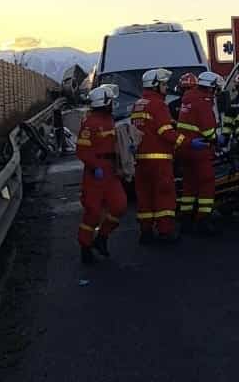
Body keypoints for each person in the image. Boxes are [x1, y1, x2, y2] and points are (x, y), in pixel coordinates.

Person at [130, 68, 185, 243]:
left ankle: (146, 232)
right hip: (159, 160)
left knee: (145, 195)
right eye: (163, 84)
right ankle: (165, 231)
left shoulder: (138, 104)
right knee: (164, 194)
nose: (166, 87)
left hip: (140, 160)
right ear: (155, 85)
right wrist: (185, 142)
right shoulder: (158, 104)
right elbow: (165, 132)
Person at [74, 85, 126, 264]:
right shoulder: (90, 123)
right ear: (103, 103)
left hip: (111, 171)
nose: (113, 104)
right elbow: (81, 150)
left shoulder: (109, 120)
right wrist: (95, 166)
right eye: (111, 101)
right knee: (93, 213)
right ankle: (85, 247)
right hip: (95, 173)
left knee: (119, 206)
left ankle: (102, 238)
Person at [177, 71, 222, 234]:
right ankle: (203, 220)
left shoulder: (188, 98)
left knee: (189, 184)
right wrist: (217, 139)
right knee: (206, 184)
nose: (216, 91)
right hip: (200, 150)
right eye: (215, 88)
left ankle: (185, 219)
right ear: (210, 88)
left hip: (185, 148)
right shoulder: (203, 102)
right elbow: (208, 130)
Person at [174, 73, 200, 224]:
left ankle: (184, 212)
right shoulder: (200, 104)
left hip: (182, 150)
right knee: (187, 182)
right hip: (188, 149)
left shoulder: (173, 106)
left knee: (186, 182)